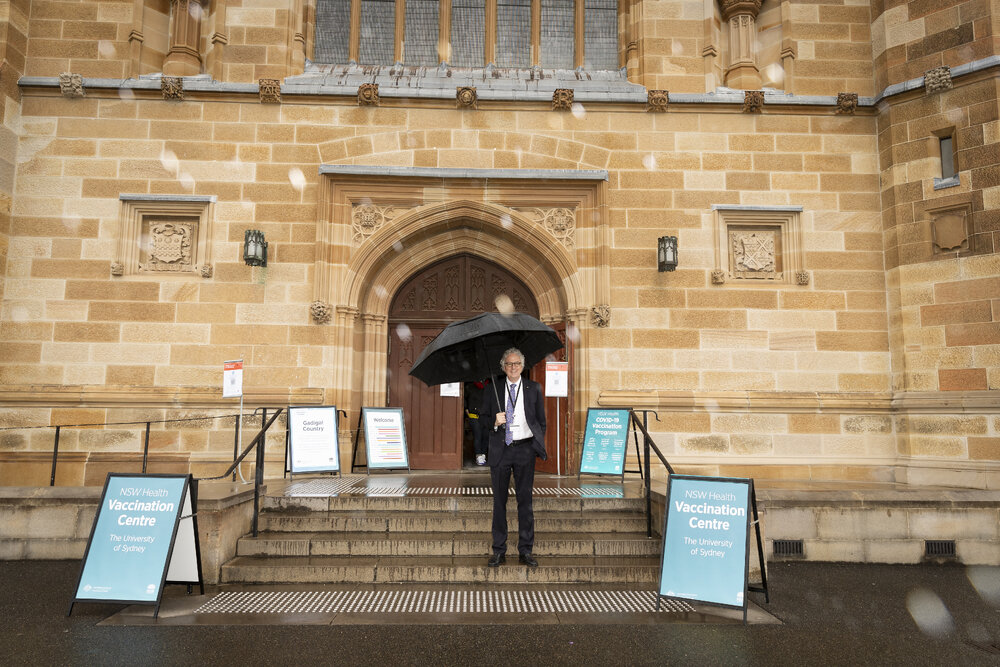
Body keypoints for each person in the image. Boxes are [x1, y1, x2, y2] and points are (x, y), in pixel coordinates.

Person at [480, 347, 547, 568]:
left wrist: (534, 446)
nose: (513, 367)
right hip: (501, 450)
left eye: (517, 363)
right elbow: (481, 418)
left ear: (522, 365)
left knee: (525, 502)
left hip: (524, 450)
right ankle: (499, 551)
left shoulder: (533, 388)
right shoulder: (493, 388)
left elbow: (541, 421)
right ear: (503, 367)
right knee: (499, 502)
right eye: (509, 364)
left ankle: (525, 551)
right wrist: (494, 422)